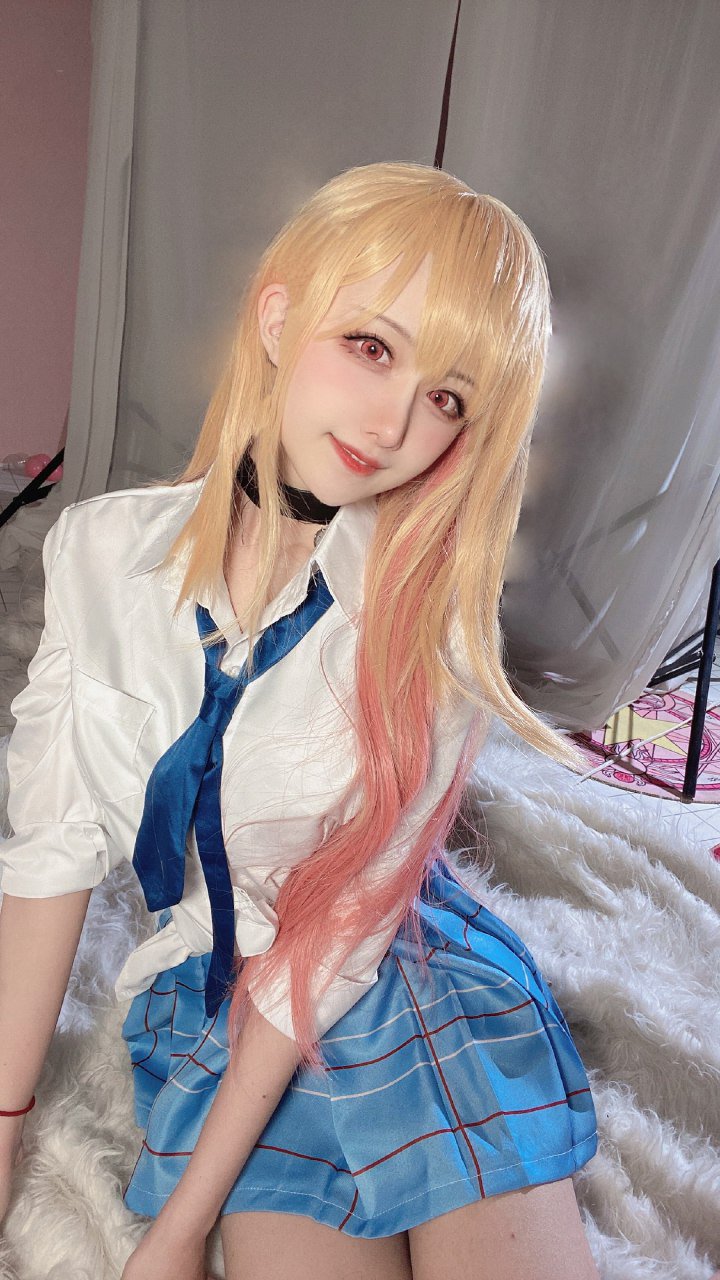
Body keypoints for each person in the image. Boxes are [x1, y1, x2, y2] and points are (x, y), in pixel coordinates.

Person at [0, 161, 601, 1280]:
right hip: (219, 1000)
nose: (394, 420)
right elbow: (49, 851)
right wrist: (1, 1127)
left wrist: (177, 1232)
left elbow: (334, 943)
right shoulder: (97, 554)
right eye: (372, 346)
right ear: (278, 319)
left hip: (396, 974)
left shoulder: (429, 628)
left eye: (449, 398)